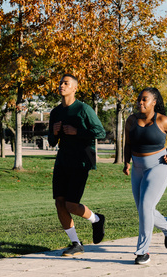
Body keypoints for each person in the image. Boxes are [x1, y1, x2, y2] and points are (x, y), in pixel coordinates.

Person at [48, 74, 107, 256]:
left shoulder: (84, 109)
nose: (61, 86)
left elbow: (100, 132)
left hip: (81, 160)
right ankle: (75, 243)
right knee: (59, 203)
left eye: (66, 83)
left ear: (74, 88)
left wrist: (77, 131)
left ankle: (97, 219)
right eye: (60, 83)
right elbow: (51, 142)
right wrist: (55, 132)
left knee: (72, 205)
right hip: (62, 160)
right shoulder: (55, 112)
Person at [123, 87, 167, 265]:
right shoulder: (131, 120)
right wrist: (126, 162)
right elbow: (127, 143)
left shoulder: (164, 120)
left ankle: (143, 251)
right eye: (139, 99)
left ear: (154, 102)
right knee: (142, 208)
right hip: (137, 167)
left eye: (145, 99)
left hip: (158, 165)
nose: (140, 102)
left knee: (146, 206)